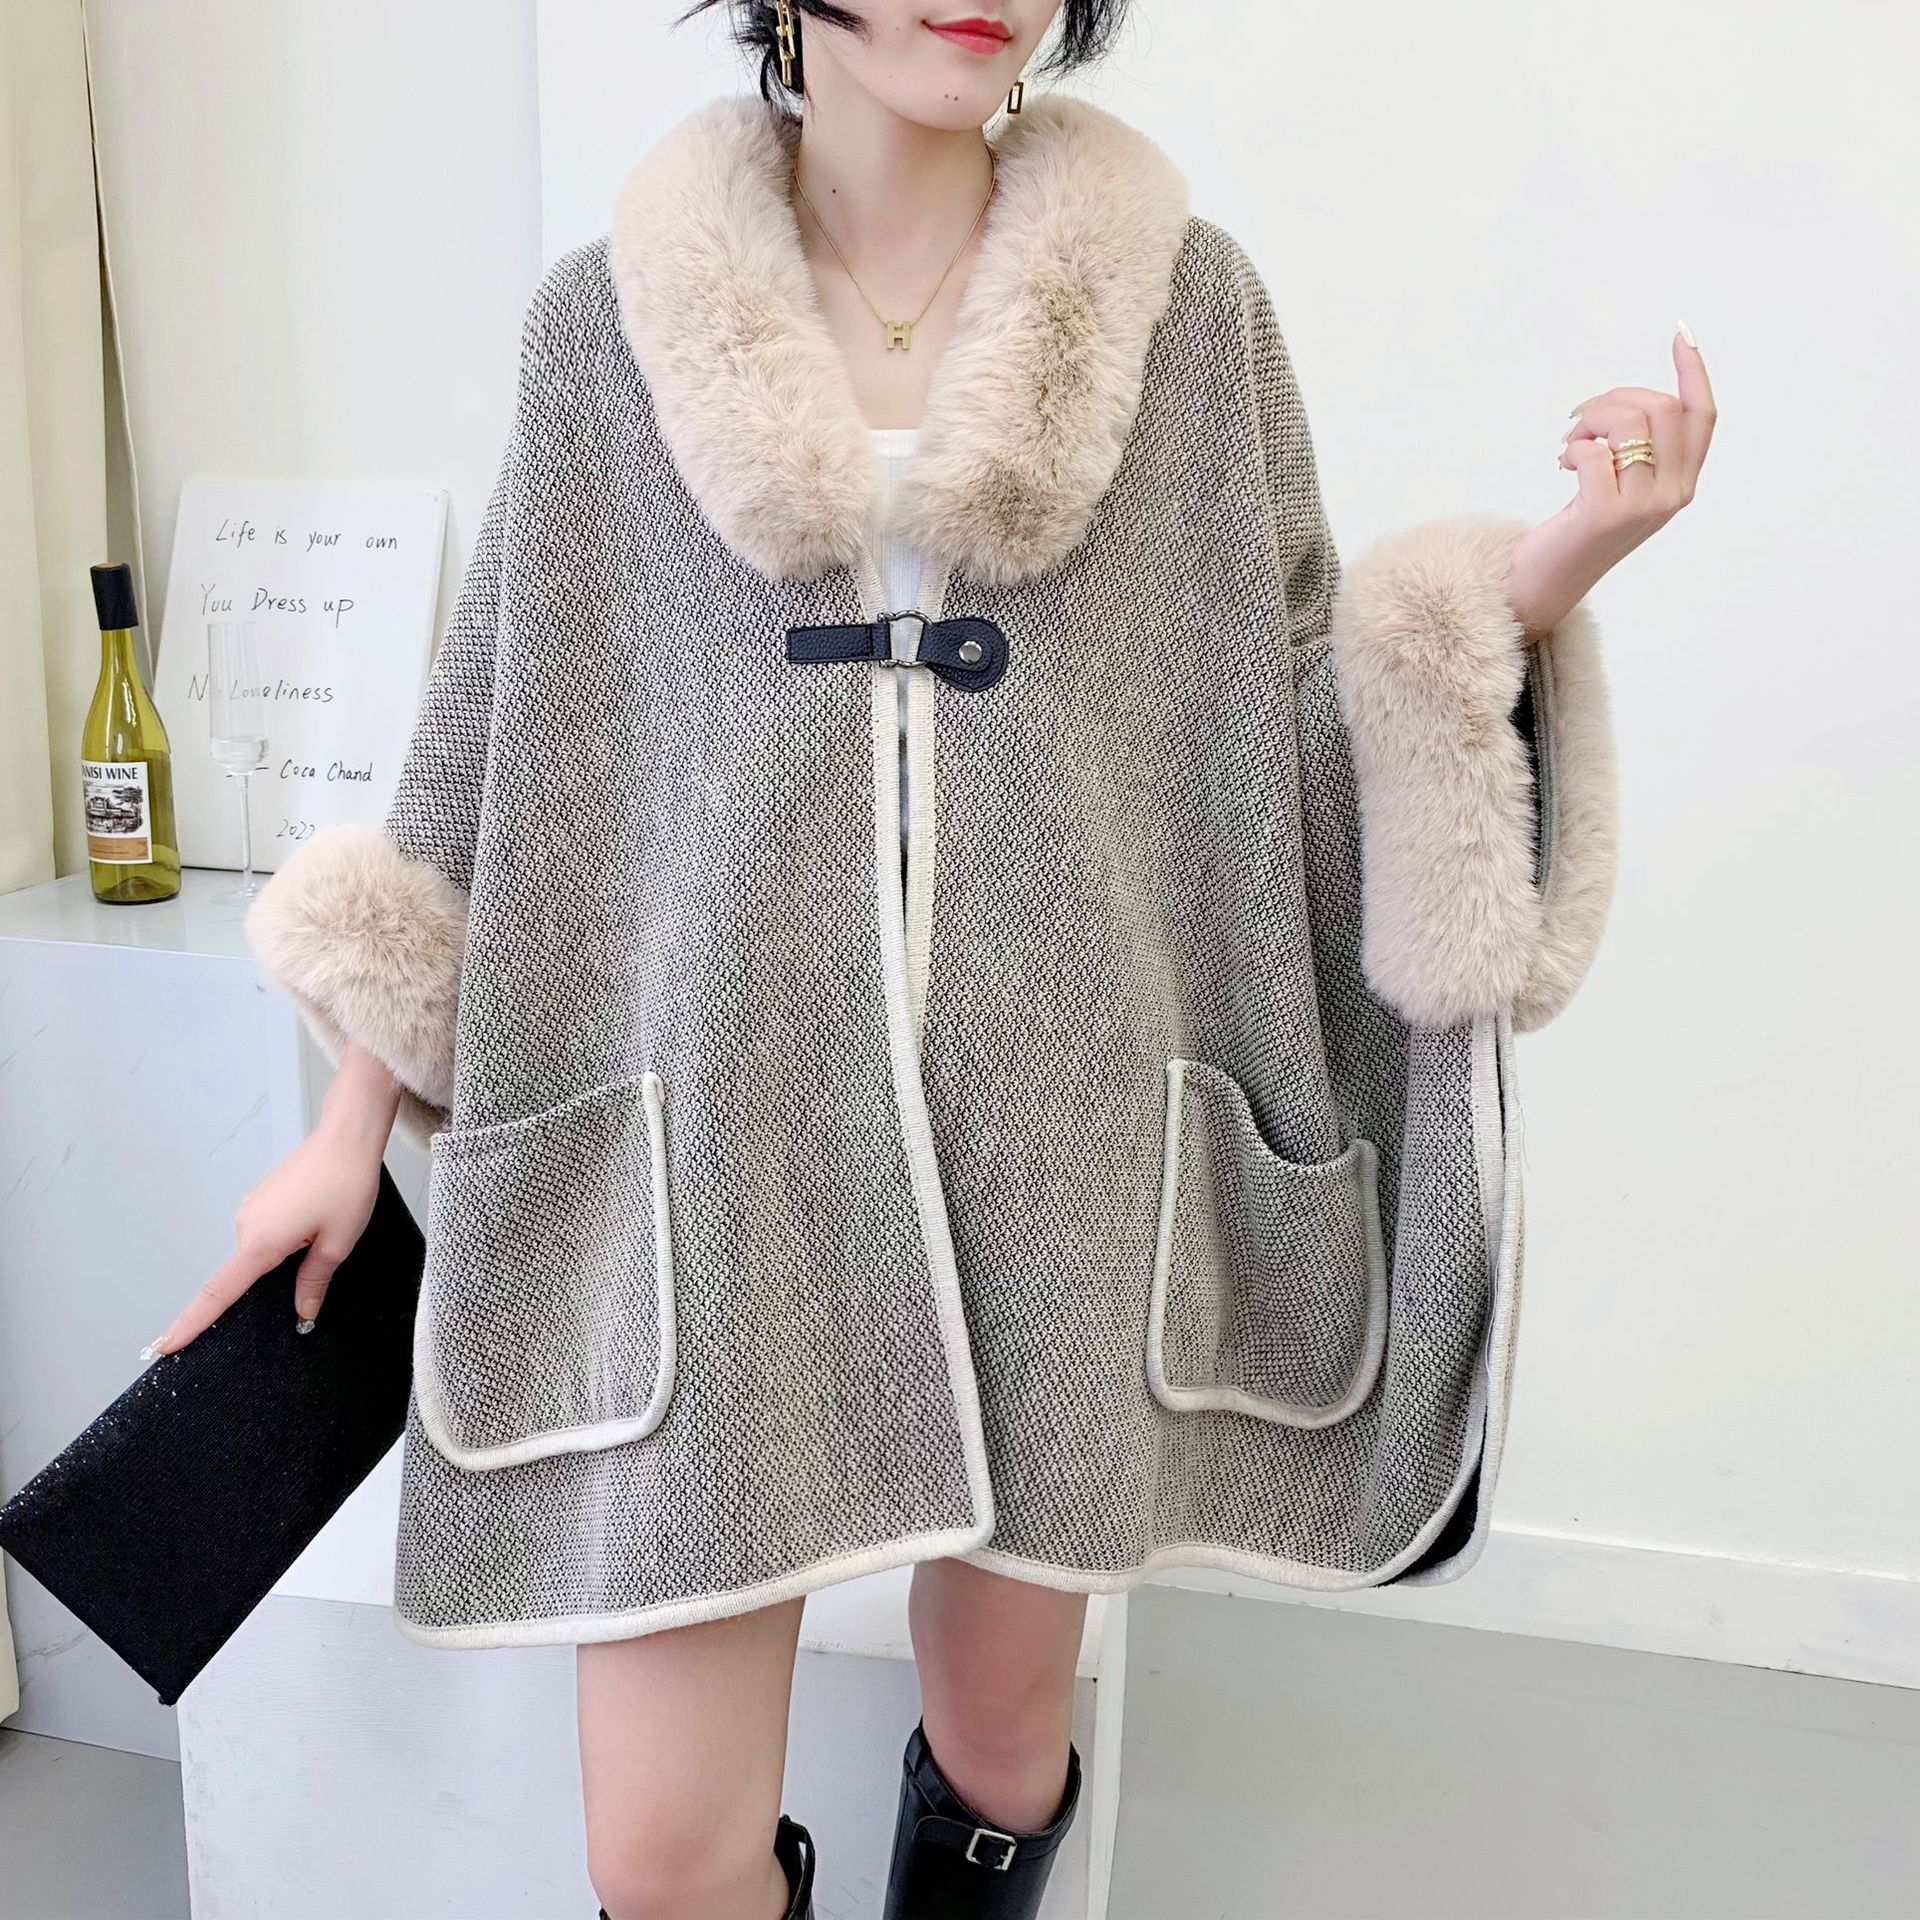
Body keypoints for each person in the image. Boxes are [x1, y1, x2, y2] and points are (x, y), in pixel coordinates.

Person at [150, 3, 1714, 1915]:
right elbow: (496, 751)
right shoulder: (608, 328)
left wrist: (1536, 579)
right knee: (663, 1858)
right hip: (722, 1147)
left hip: (1063, 1144)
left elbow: (1285, 721)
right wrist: (348, 1128)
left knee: (1001, 1746)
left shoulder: (1185, 314)